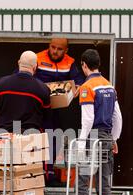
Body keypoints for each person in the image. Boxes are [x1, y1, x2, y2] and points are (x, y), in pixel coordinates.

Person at [77, 49, 122, 195]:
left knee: (83, 181)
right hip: (106, 138)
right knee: (104, 183)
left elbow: (87, 120)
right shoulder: (109, 85)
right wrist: (114, 139)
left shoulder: (87, 88)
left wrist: (81, 143)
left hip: (92, 138)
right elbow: (118, 117)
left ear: (84, 65)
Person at [35, 38, 85, 185]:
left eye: (59, 49)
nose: (55, 51)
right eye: (52, 47)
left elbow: (79, 80)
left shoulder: (70, 62)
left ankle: (49, 173)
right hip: (36, 109)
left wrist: (78, 88)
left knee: (55, 137)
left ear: (66, 50)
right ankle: (40, 174)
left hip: (55, 109)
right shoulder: (37, 58)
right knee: (36, 139)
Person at [0, 50, 50, 133]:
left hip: (4, 134)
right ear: (35, 67)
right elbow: (47, 116)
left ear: (19, 63)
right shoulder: (43, 89)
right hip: (30, 137)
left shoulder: (1, 82)